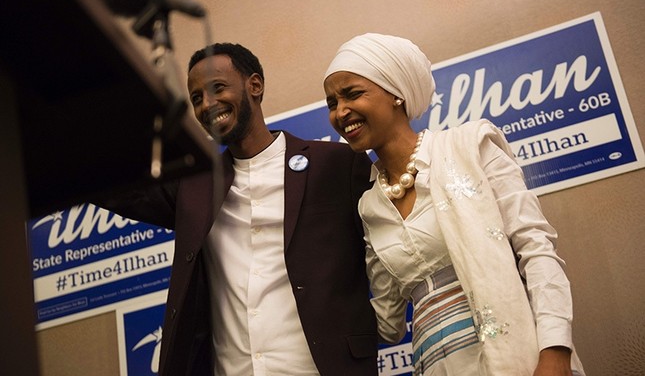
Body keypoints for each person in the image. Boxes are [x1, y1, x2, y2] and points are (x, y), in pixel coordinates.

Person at [100, 43, 378, 375]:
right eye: (197, 98)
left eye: (218, 88)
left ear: (254, 86)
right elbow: (111, 188)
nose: (208, 104)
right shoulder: (194, 186)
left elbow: (391, 237)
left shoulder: (336, 164)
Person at [323, 33, 585, 376]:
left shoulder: (470, 146)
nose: (341, 112)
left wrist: (555, 350)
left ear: (396, 95)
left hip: (519, 358)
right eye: (331, 103)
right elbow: (387, 323)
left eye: (353, 94)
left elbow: (535, 249)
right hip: (436, 366)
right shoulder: (370, 205)